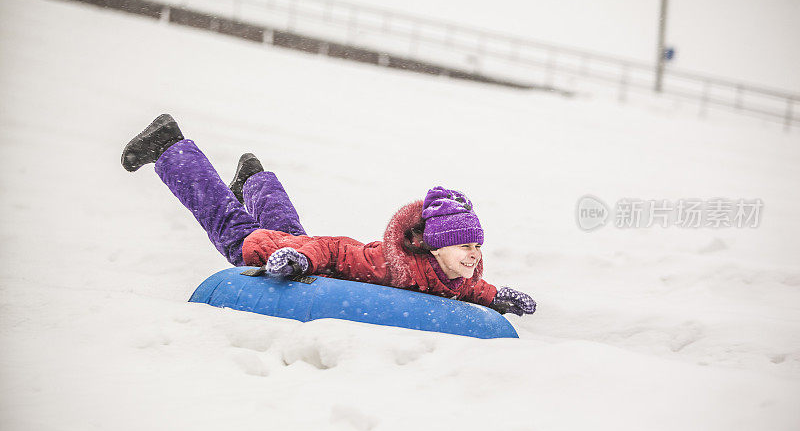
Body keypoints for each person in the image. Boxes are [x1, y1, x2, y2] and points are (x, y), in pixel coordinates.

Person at [121, 114, 536, 316]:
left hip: (308, 262)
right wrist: (300, 260)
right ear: (434, 246)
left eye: (478, 246)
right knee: (238, 237)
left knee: (287, 232)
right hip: (309, 262)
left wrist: (497, 296)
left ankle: (255, 180)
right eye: (465, 245)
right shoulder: (393, 264)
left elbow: (467, 291)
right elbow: (336, 251)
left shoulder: (453, 274)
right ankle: (170, 147)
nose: (474, 255)